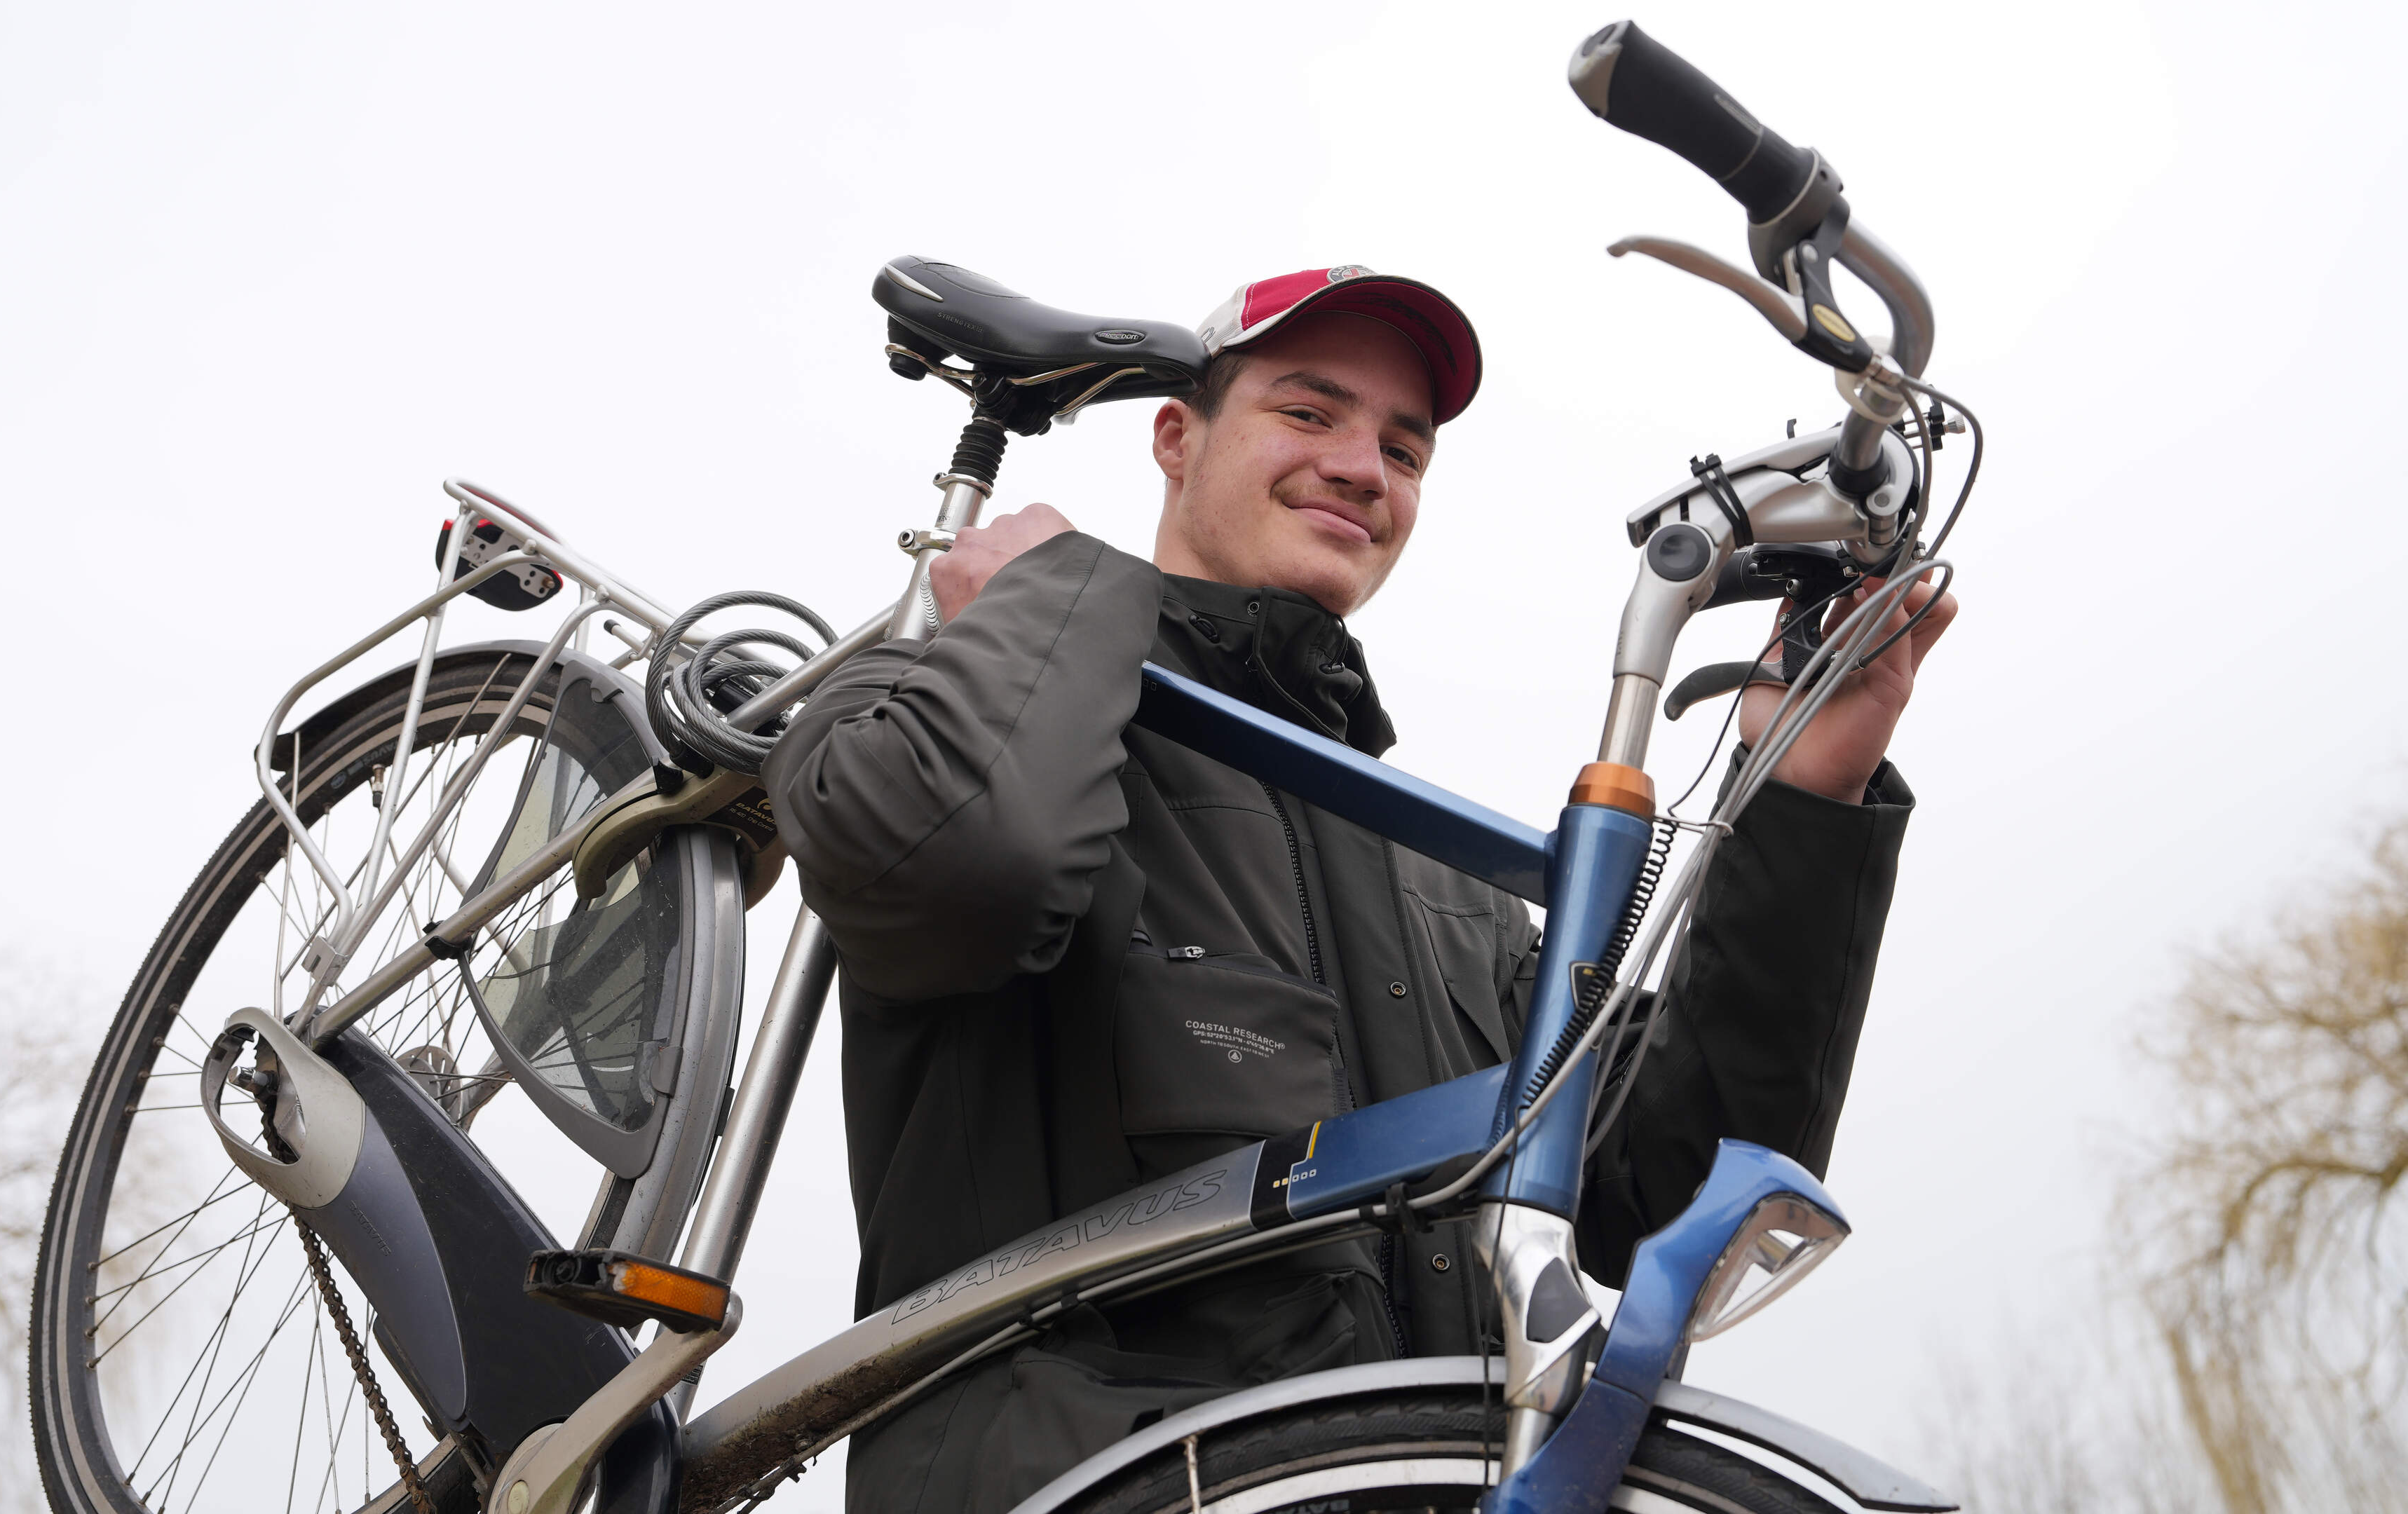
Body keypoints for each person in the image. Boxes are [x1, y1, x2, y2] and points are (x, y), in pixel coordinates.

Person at [761, 266, 1957, 1514]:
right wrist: (1055, 594)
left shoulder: (1443, 876)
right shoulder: (946, 688)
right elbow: (954, 873)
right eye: (1308, 412)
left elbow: (1675, 1190)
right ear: (1176, 438)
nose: (1362, 467)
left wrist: (1807, 793)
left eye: (1404, 447)